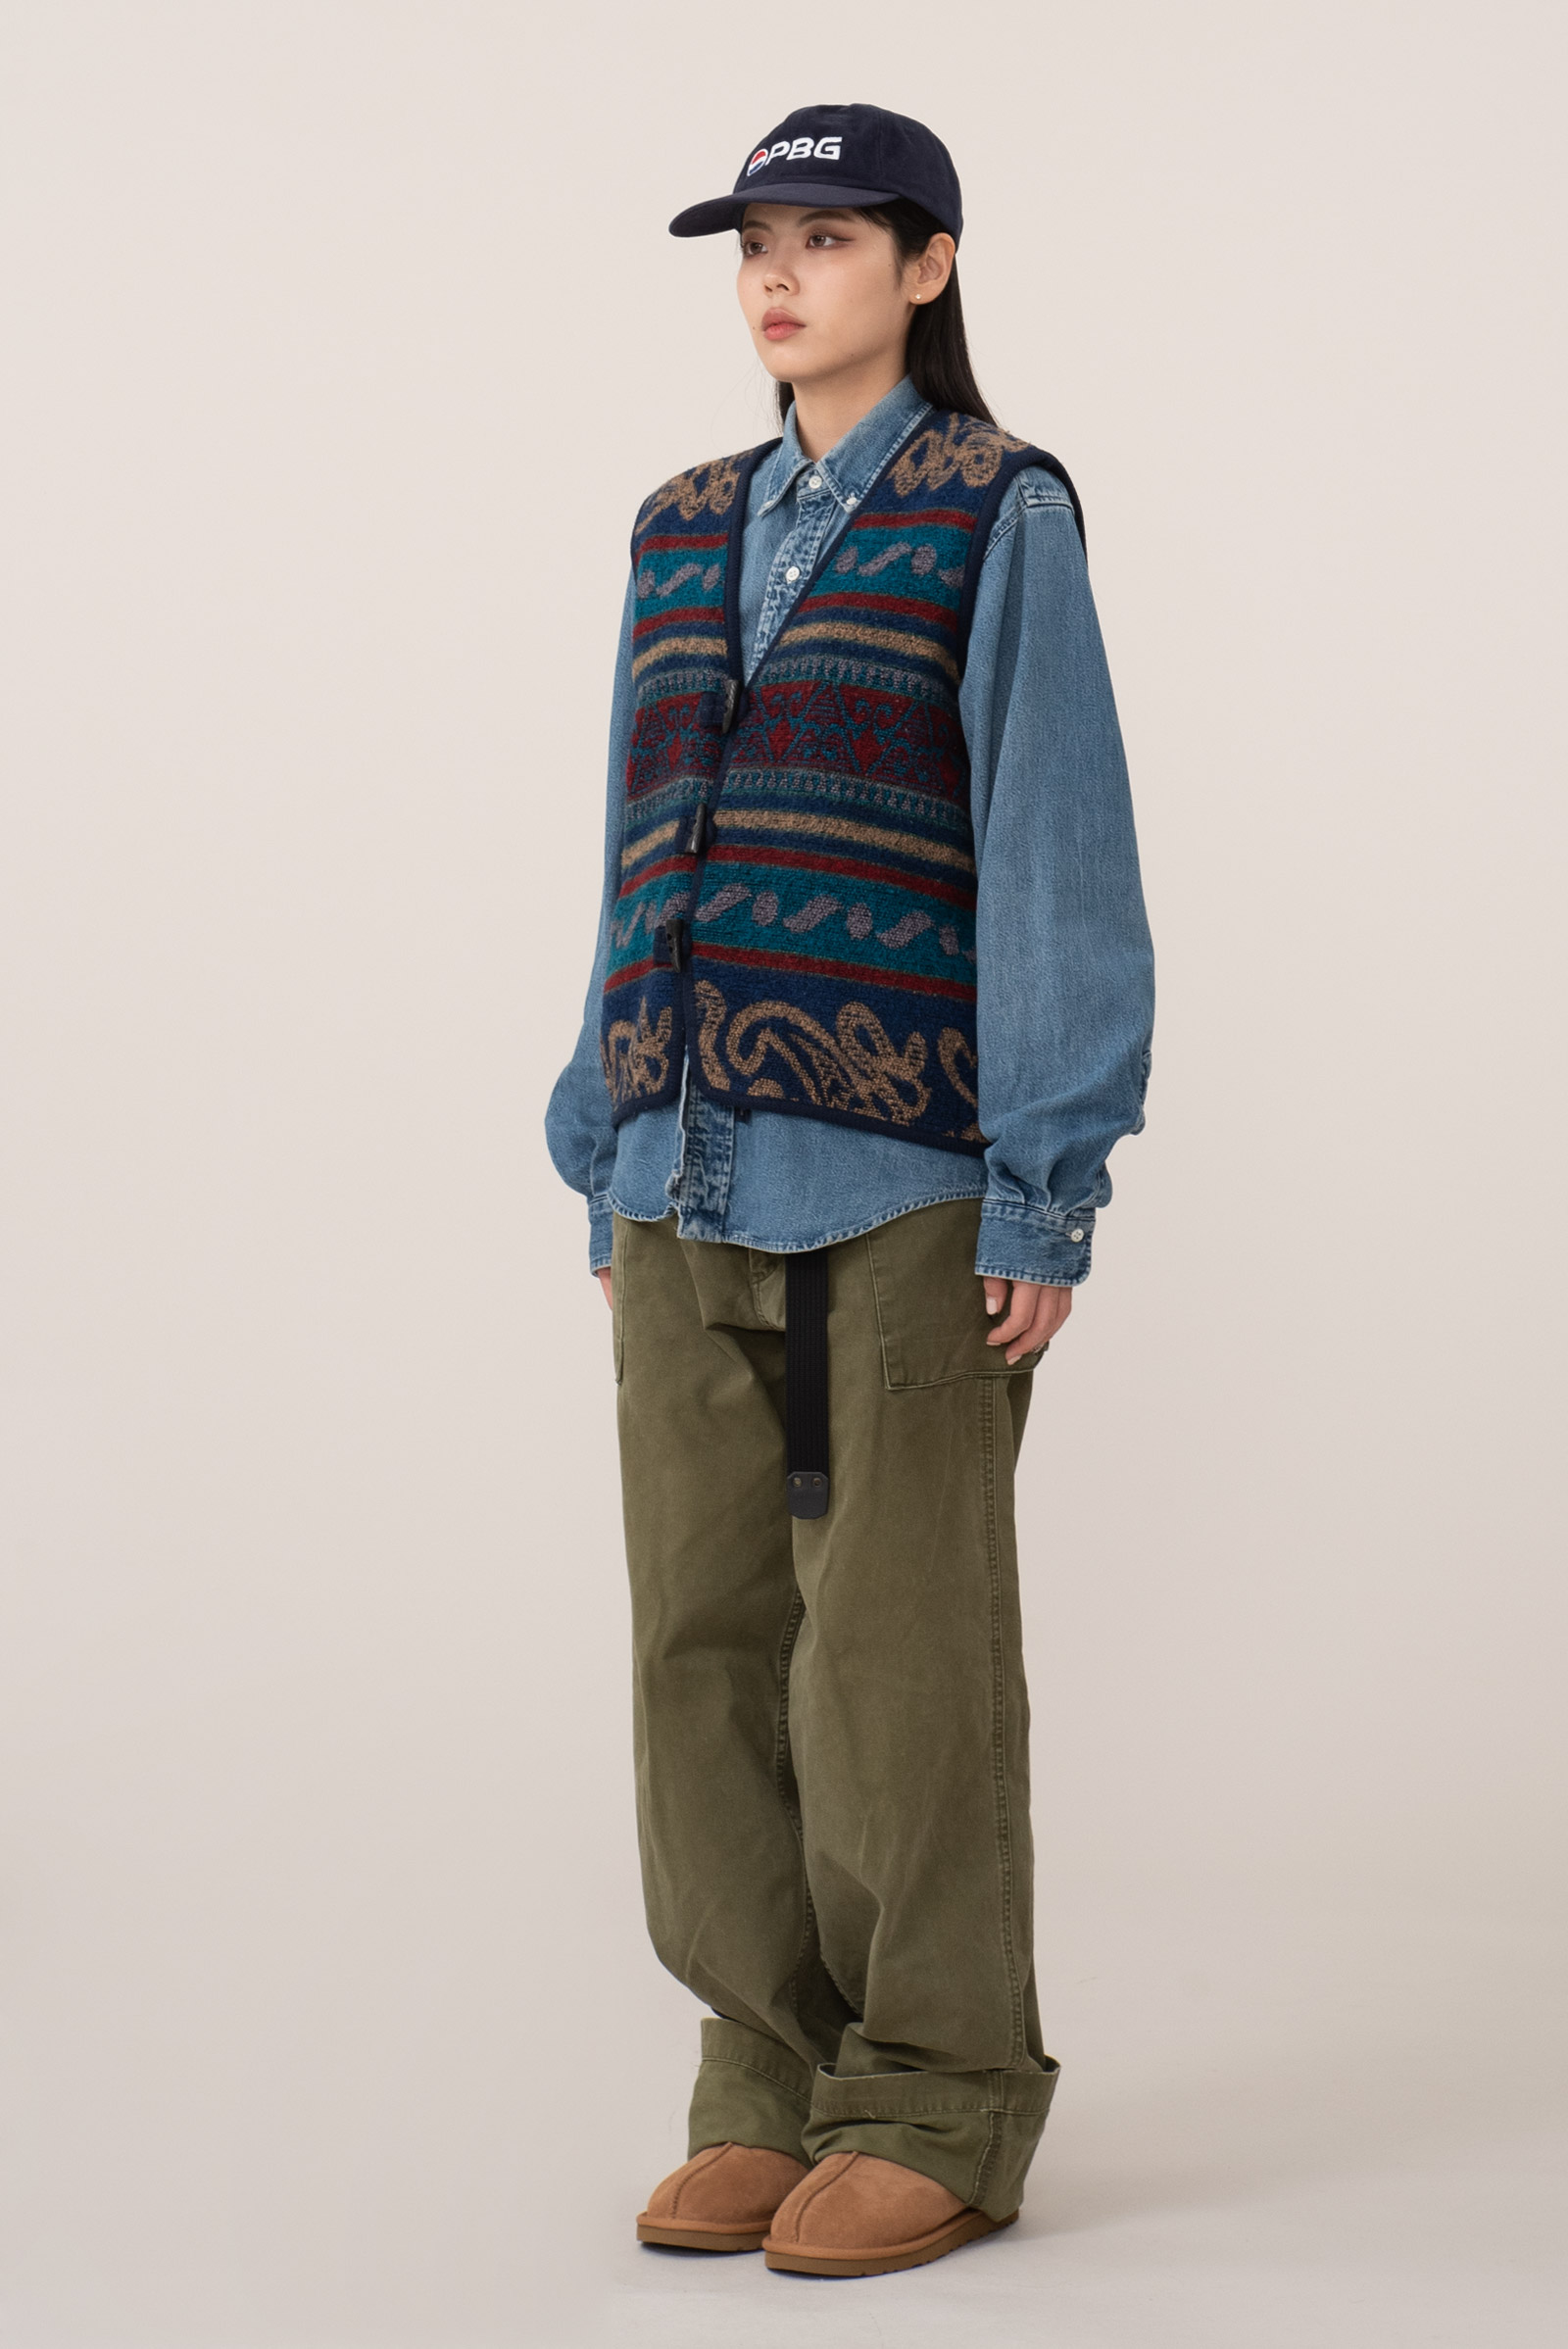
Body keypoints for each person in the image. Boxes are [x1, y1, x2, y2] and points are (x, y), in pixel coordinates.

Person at [545, 101, 1153, 2281]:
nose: (780, 278)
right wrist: (604, 1132)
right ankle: (766, 2074)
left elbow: (1052, 841)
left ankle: (937, 2096)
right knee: (699, 1650)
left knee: (895, 1665)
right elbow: (638, 840)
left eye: (825, 238)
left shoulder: (999, 509)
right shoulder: (678, 525)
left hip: (899, 1177)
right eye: (756, 246)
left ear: (928, 265)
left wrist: (1041, 1187)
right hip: (678, 1164)